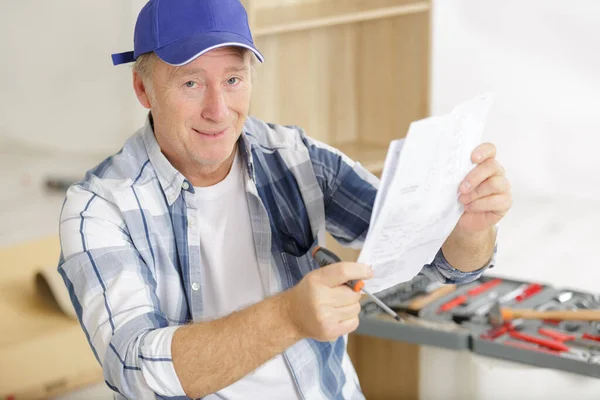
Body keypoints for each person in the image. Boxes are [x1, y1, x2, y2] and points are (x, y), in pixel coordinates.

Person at [58, 0, 512, 399]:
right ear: (144, 90)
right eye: (191, 84)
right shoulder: (100, 209)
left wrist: (470, 226)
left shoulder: (295, 158)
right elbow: (133, 368)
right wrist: (289, 317)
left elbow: (441, 261)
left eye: (233, 79)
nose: (218, 109)